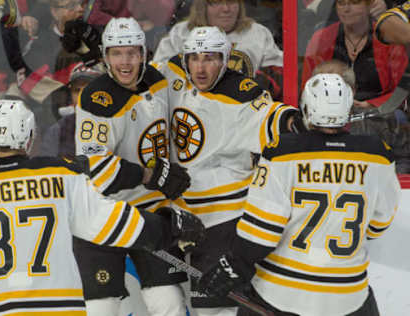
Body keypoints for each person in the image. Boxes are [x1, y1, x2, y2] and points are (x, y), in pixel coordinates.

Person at [0, 98, 205, 314]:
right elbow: (108, 223)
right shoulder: (60, 175)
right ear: (29, 137)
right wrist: (167, 226)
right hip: (57, 309)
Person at [197, 73, 401, 316]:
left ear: (305, 108)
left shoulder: (281, 153)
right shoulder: (377, 155)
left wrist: (231, 266)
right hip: (347, 296)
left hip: (281, 294)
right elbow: (378, 226)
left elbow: (261, 234)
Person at [155, 26, 298, 316]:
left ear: (225, 59)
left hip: (223, 219)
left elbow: (275, 119)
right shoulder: (172, 73)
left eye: (210, 58)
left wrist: (302, 121)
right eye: (194, 58)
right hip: (178, 216)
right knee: (165, 301)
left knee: (215, 311)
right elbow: (132, 73)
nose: (201, 67)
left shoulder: (241, 93)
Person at [74, 17, 192, 316]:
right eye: (116, 53)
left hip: (152, 213)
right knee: (100, 308)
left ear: (143, 53)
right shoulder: (96, 99)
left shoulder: (159, 80)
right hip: (104, 213)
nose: (125, 61)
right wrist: (153, 175)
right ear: (105, 56)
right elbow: (97, 167)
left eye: (132, 52)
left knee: (169, 302)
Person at [153, 0, 283, 97]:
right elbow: (157, 77)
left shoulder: (257, 33)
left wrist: (263, 83)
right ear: (202, 6)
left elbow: (280, 75)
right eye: (217, 2)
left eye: (232, 2)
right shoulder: (181, 34)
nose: (226, 9)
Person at [302, 0, 408, 109]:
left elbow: (401, 89)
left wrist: (372, 105)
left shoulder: (387, 37)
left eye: (354, 2)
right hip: (330, 111)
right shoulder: (321, 38)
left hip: (380, 114)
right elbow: (308, 86)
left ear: (370, 6)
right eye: (341, 3)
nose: (346, 9)